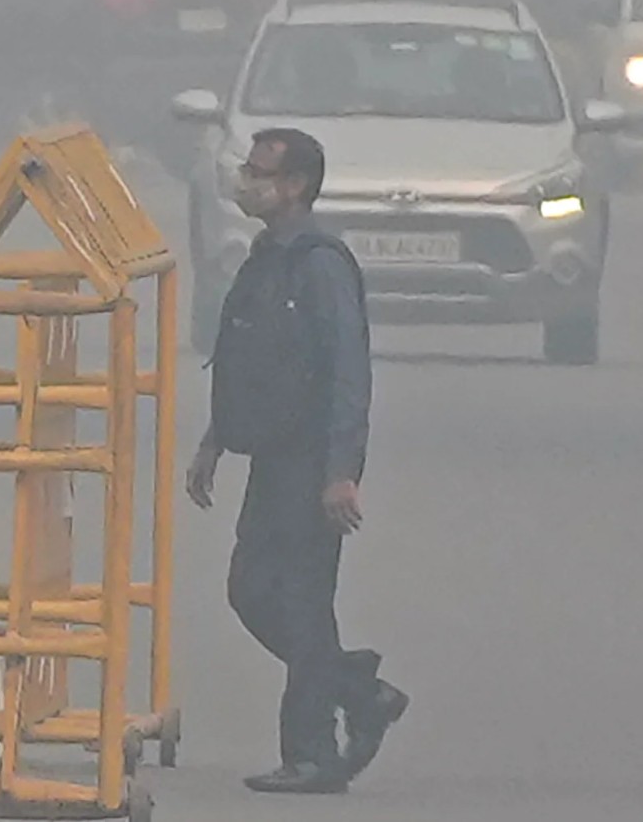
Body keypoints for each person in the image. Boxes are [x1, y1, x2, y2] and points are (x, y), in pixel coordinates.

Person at [184, 125, 404, 794]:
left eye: (260, 172)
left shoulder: (319, 264)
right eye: (247, 169)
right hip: (271, 460)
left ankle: (310, 752)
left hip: (311, 466)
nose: (246, 181)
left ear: (296, 186)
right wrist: (215, 437)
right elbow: (247, 359)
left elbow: (347, 373)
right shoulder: (265, 257)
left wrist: (342, 471)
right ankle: (358, 690)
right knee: (249, 591)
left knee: (305, 605)